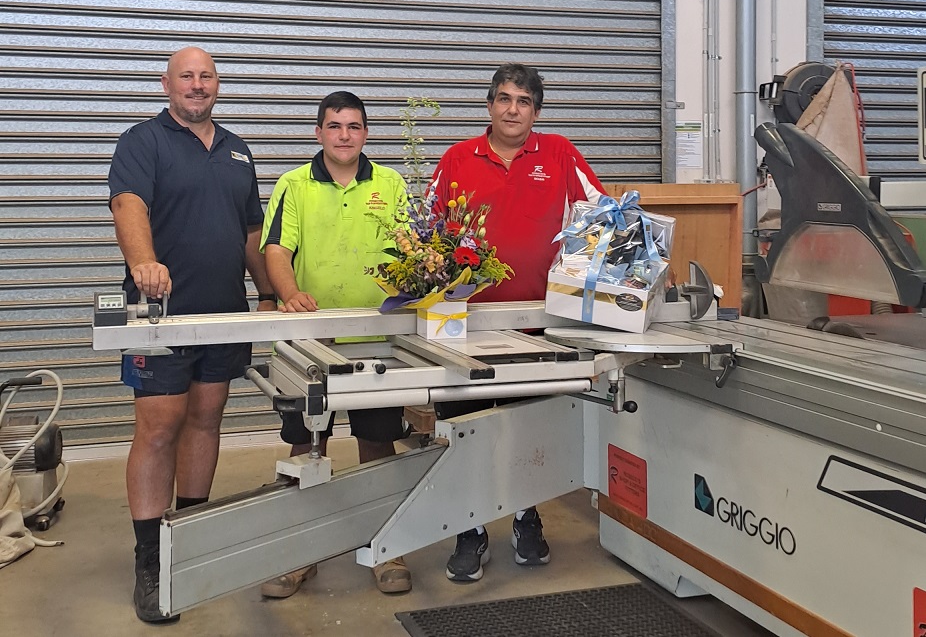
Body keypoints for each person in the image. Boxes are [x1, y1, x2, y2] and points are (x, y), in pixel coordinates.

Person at [108, 46, 276, 623]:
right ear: (167, 85)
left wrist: (269, 291)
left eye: (206, 77)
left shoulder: (238, 150)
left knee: (207, 417)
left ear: (218, 86)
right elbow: (127, 205)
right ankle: (151, 562)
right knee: (158, 429)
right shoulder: (142, 142)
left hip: (224, 313)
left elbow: (251, 232)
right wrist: (144, 264)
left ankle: (191, 536)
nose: (197, 85)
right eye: (187, 77)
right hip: (162, 316)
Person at [430, 63, 605, 582]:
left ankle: (527, 518)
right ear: (489, 105)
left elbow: (598, 217)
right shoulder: (458, 159)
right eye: (504, 99)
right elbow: (430, 230)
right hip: (467, 325)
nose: (512, 109)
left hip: (539, 326)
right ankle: (471, 528)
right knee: (468, 429)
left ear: (537, 111)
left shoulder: (559, 154)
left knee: (530, 431)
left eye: (524, 101)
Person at [259, 91, 412, 598]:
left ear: (366, 133)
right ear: (318, 133)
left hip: (377, 343)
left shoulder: (390, 184)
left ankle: (385, 548)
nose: (344, 134)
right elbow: (277, 248)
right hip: (310, 342)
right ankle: (301, 553)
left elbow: (412, 252)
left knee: (377, 444)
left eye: (354, 126)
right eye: (334, 126)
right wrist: (290, 293)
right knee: (307, 445)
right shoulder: (294, 185)